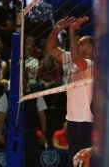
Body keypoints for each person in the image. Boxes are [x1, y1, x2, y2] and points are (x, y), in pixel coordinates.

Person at [45, 16, 93, 165]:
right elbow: (51, 49)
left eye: (81, 43)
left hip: (86, 122)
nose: (77, 43)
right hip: (72, 121)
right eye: (77, 42)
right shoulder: (71, 59)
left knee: (84, 162)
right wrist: (56, 29)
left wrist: (72, 31)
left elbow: (79, 59)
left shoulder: (92, 64)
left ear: (91, 48)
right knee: (74, 162)